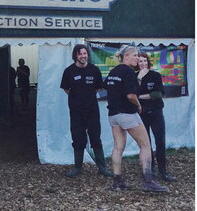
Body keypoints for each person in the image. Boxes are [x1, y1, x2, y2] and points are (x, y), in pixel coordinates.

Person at [104, 45, 167, 192]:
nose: (137, 58)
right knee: (145, 145)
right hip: (127, 114)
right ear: (126, 56)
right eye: (135, 55)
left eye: (138, 56)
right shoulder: (129, 72)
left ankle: (117, 181)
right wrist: (138, 106)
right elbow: (131, 95)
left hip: (113, 115)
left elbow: (107, 86)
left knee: (118, 147)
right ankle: (148, 181)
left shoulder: (113, 71)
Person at [60, 44, 113, 178]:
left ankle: (102, 168)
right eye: (80, 54)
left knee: (95, 137)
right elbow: (67, 89)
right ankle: (77, 167)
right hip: (76, 112)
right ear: (75, 56)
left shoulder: (94, 70)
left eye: (85, 53)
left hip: (92, 111)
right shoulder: (69, 71)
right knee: (78, 138)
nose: (83, 56)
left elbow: (98, 88)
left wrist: (87, 96)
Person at [137, 52, 176, 181]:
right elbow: (132, 93)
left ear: (148, 62)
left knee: (160, 141)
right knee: (146, 143)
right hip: (142, 113)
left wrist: (141, 96)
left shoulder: (155, 75)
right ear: (136, 63)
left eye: (144, 61)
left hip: (156, 112)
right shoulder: (134, 77)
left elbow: (157, 94)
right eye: (140, 61)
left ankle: (163, 172)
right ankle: (150, 170)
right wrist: (139, 80)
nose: (142, 63)